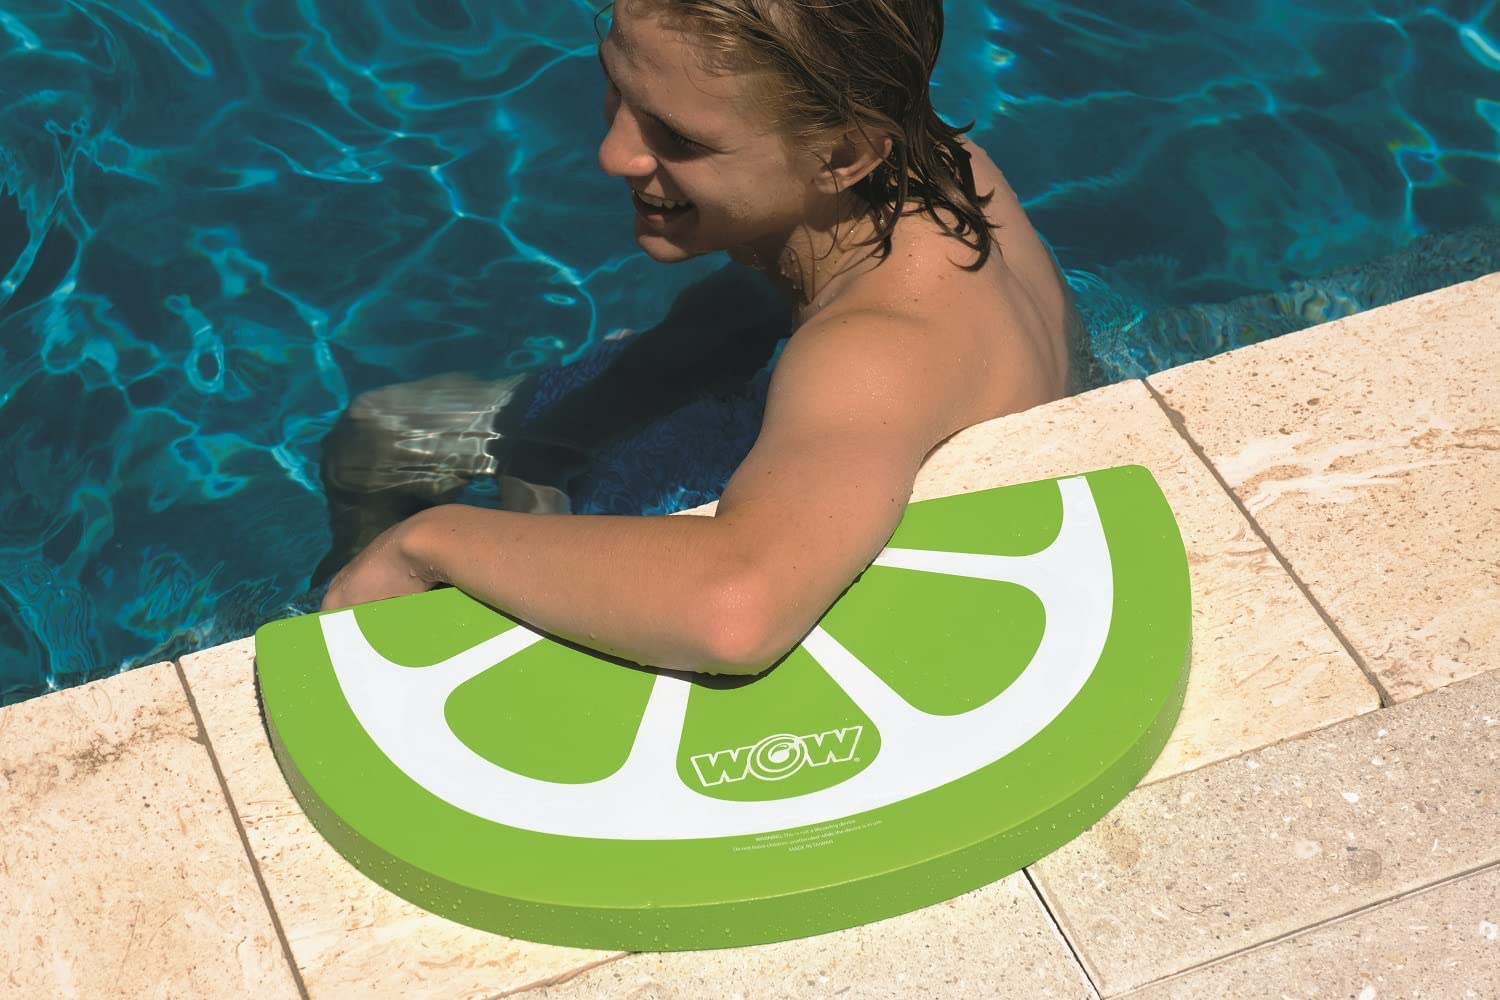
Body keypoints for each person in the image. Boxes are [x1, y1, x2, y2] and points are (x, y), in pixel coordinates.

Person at [319, 0, 1096, 677]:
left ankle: (360, 621)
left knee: (382, 439)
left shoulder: (872, 352)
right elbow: (765, 302)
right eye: (617, 86)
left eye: (677, 137)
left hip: (856, 541)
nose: (614, 153)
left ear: (842, 155)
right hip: (850, 430)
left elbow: (736, 609)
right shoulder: (941, 165)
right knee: (420, 434)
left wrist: (427, 544)